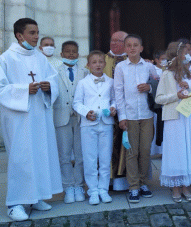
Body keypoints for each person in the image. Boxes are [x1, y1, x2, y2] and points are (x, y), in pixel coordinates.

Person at [0, 18, 62, 221]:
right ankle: (15, 203)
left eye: (37, 32)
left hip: (40, 116)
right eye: (32, 33)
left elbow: (53, 78)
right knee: (21, 158)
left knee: (40, 155)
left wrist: (49, 87)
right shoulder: (6, 59)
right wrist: (24, 90)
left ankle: (35, 196)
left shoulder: (40, 58)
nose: (37, 36)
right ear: (19, 35)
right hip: (18, 119)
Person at [114, 34, 159, 203]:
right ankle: (133, 186)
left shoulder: (148, 67)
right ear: (125, 48)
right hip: (130, 115)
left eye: (135, 45)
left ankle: (142, 183)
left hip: (147, 114)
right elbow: (118, 92)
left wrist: (149, 87)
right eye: (129, 45)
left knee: (145, 151)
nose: (132, 48)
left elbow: (158, 83)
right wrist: (122, 117)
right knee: (132, 152)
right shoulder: (120, 68)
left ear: (141, 48)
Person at [155, 42, 191, 202]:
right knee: (175, 152)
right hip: (173, 118)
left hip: (186, 117)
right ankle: (175, 187)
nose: (187, 55)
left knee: (187, 150)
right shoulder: (167, 74)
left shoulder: (188, 73)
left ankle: (185, 185)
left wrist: (189, 88)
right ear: (176, 54)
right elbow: (159, 98)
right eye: (184, 52)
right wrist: (176, 95)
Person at [73, 50, 116, 205]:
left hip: (106, 123)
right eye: (94, 62)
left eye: (100, 62)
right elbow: (77, 103)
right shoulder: (83, 83)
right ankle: (92, 190)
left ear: (105, 64)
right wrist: (86, 113)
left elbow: (114, 99)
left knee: (105, 158)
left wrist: (113, 107)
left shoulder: (111, 81)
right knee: (90, 158)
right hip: (88, 125)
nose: (98, 64)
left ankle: (103, 189)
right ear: (88, 65)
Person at [54, 41, 88, 204]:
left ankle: (79, 185)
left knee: (81, 154)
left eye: (74, 52)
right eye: (67, 52)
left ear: (78, 54)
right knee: (65, 154)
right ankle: (68, 187)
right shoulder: (54, 72)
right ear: (61, 54)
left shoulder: (85, 72)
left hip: (81, 118)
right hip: (62, 117)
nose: (71, 54)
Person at [104, 31, 130, 191]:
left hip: (128, 109)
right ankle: (109, 179)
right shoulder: (101, 59)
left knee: (127, 144)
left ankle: (126, 179)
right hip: (107, 110)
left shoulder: (133, 60)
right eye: (112, 40)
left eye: (118, 41)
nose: (114, 43)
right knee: (108, 145)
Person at [149, 50, 167, 157]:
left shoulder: (168, 70)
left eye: (166, 59)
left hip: (166, 102)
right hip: (156, 103)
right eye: (162, 59)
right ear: (156, 60)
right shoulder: (152, 70)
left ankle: (163, 151)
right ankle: (155, 151)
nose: (164, 61)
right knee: (156, 126)